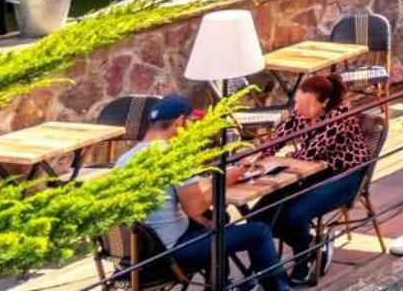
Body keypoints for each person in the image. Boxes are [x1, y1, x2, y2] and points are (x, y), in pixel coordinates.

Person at [112, 95, 292, 291]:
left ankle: (222, 285)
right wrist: (226, 179)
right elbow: (195, 206)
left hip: (133, 257)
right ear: (180, 122)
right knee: (259, 232)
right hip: (169, 257)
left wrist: (213, 182)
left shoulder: (124, 160)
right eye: (191, 122)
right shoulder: (173, 156)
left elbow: (185, 198)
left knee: (216, 218)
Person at [254, 75, 376, 286]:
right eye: (297, 104)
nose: (299, 110)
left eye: (305, 105)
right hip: (313, 171)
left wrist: (276, 162)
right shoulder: (302, 111)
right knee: (262, 214)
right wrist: (256, 157)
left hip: (345, 175)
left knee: (294, 215)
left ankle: (304, 263)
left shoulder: (339, 117)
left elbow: (309, 152)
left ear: (325, 103)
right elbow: (279, 137)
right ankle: (311, 245)